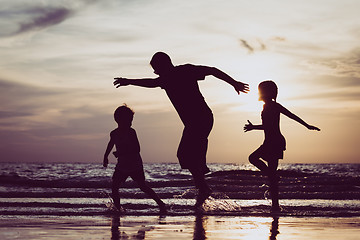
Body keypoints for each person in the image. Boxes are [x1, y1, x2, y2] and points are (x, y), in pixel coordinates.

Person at [114, 52, 249, 209]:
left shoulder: (185, 71)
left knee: (187, 154)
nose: (155, 72)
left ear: (164, 64)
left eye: (156, 68)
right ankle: (202, 185)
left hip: (201, 118)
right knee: (185, 156)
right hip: (195, 122)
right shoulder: (168, 77)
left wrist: (233, 83)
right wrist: (130, 81)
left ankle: (203, 182)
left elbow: (212, 70)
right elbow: (151, 82)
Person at [244, 80, 320, 212]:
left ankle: (275, 204)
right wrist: (253, 127)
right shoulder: (268, 106)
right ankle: (275, 204)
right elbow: (276, 122)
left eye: (260, 90)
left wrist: (307, 125)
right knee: (262, 167)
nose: (258, 93)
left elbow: (290, 117)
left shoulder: (272, 106)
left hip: (274, 142)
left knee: (254, 160)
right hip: (270, 142)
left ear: (266, 93)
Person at [103, 104, 166, 213]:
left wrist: (121, 152)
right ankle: (118, 209)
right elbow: (110, 144)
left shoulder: (131, 132)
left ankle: (161, 203)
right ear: (118, 120)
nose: (131, 122)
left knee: (142, 186)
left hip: (135, 164)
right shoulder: (114, 133)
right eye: (128, 120)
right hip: (122, 165)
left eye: (131, 120)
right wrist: (105, 156)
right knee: (114, 187)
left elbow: (137, 148)